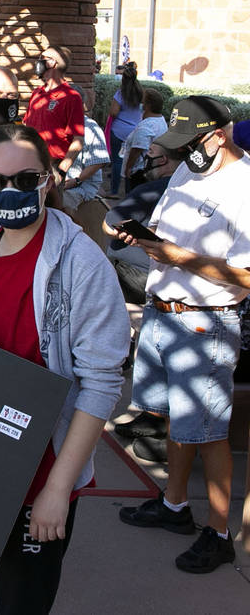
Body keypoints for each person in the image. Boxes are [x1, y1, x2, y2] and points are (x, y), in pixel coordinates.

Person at [0, 123, 128, 615]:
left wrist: (57, 488)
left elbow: (100, 383)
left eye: (24, 178)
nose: (9, 191)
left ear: (48, 180)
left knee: (23, 604)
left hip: (38, 476)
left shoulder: (81, 263)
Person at [116, 96, 250, 574]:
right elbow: (168, 230)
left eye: (189, 143)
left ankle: (218, 534)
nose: (180, 154)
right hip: (162, 309)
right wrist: (145, 239)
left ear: (218, 135)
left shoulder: (244, 184)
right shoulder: (189, 168)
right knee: (176, 418)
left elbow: (247, 274)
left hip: (204, 321)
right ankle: (174, 505)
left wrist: (178, 257)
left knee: (209, 433)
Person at [102, 142, 182, 306]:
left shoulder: (150, 190)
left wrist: (132, 234)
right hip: (175, 278)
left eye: (150, 152)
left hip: (135, 276)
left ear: (162, 160)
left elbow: (108, 225)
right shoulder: (196, 189)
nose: (146, 157)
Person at [23, 45, 84, 183]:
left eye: (42, 58)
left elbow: (78, 139)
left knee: (52, 204)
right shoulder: (37, 93)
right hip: (28, 163)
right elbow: (26, 125)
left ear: (52, 62)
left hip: (52, 166)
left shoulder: (71, 97)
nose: (38, 62)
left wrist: (61, 170)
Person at [60, 91, 110, 215]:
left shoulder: (91, 128)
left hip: (81, 185)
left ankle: (76, 232)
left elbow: (98, 162)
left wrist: (75, 181)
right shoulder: (56, 125)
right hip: (59, 182)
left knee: (63, 204)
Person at [108, 62, 145, 195]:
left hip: (119, 131)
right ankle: (130, 192)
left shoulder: (120, 93)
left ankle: (114, 191)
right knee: (133, 163)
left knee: (117, 162)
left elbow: (114, 112)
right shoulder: (141, 93)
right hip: (136, 132)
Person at [119, 89, 167, 191]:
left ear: (148, 105)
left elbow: (137, 149)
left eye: (143, 101)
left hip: (139, 171)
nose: (141, 104)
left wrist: (128, 168)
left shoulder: (146, 126)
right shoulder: (160, 120)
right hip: (152, 167)